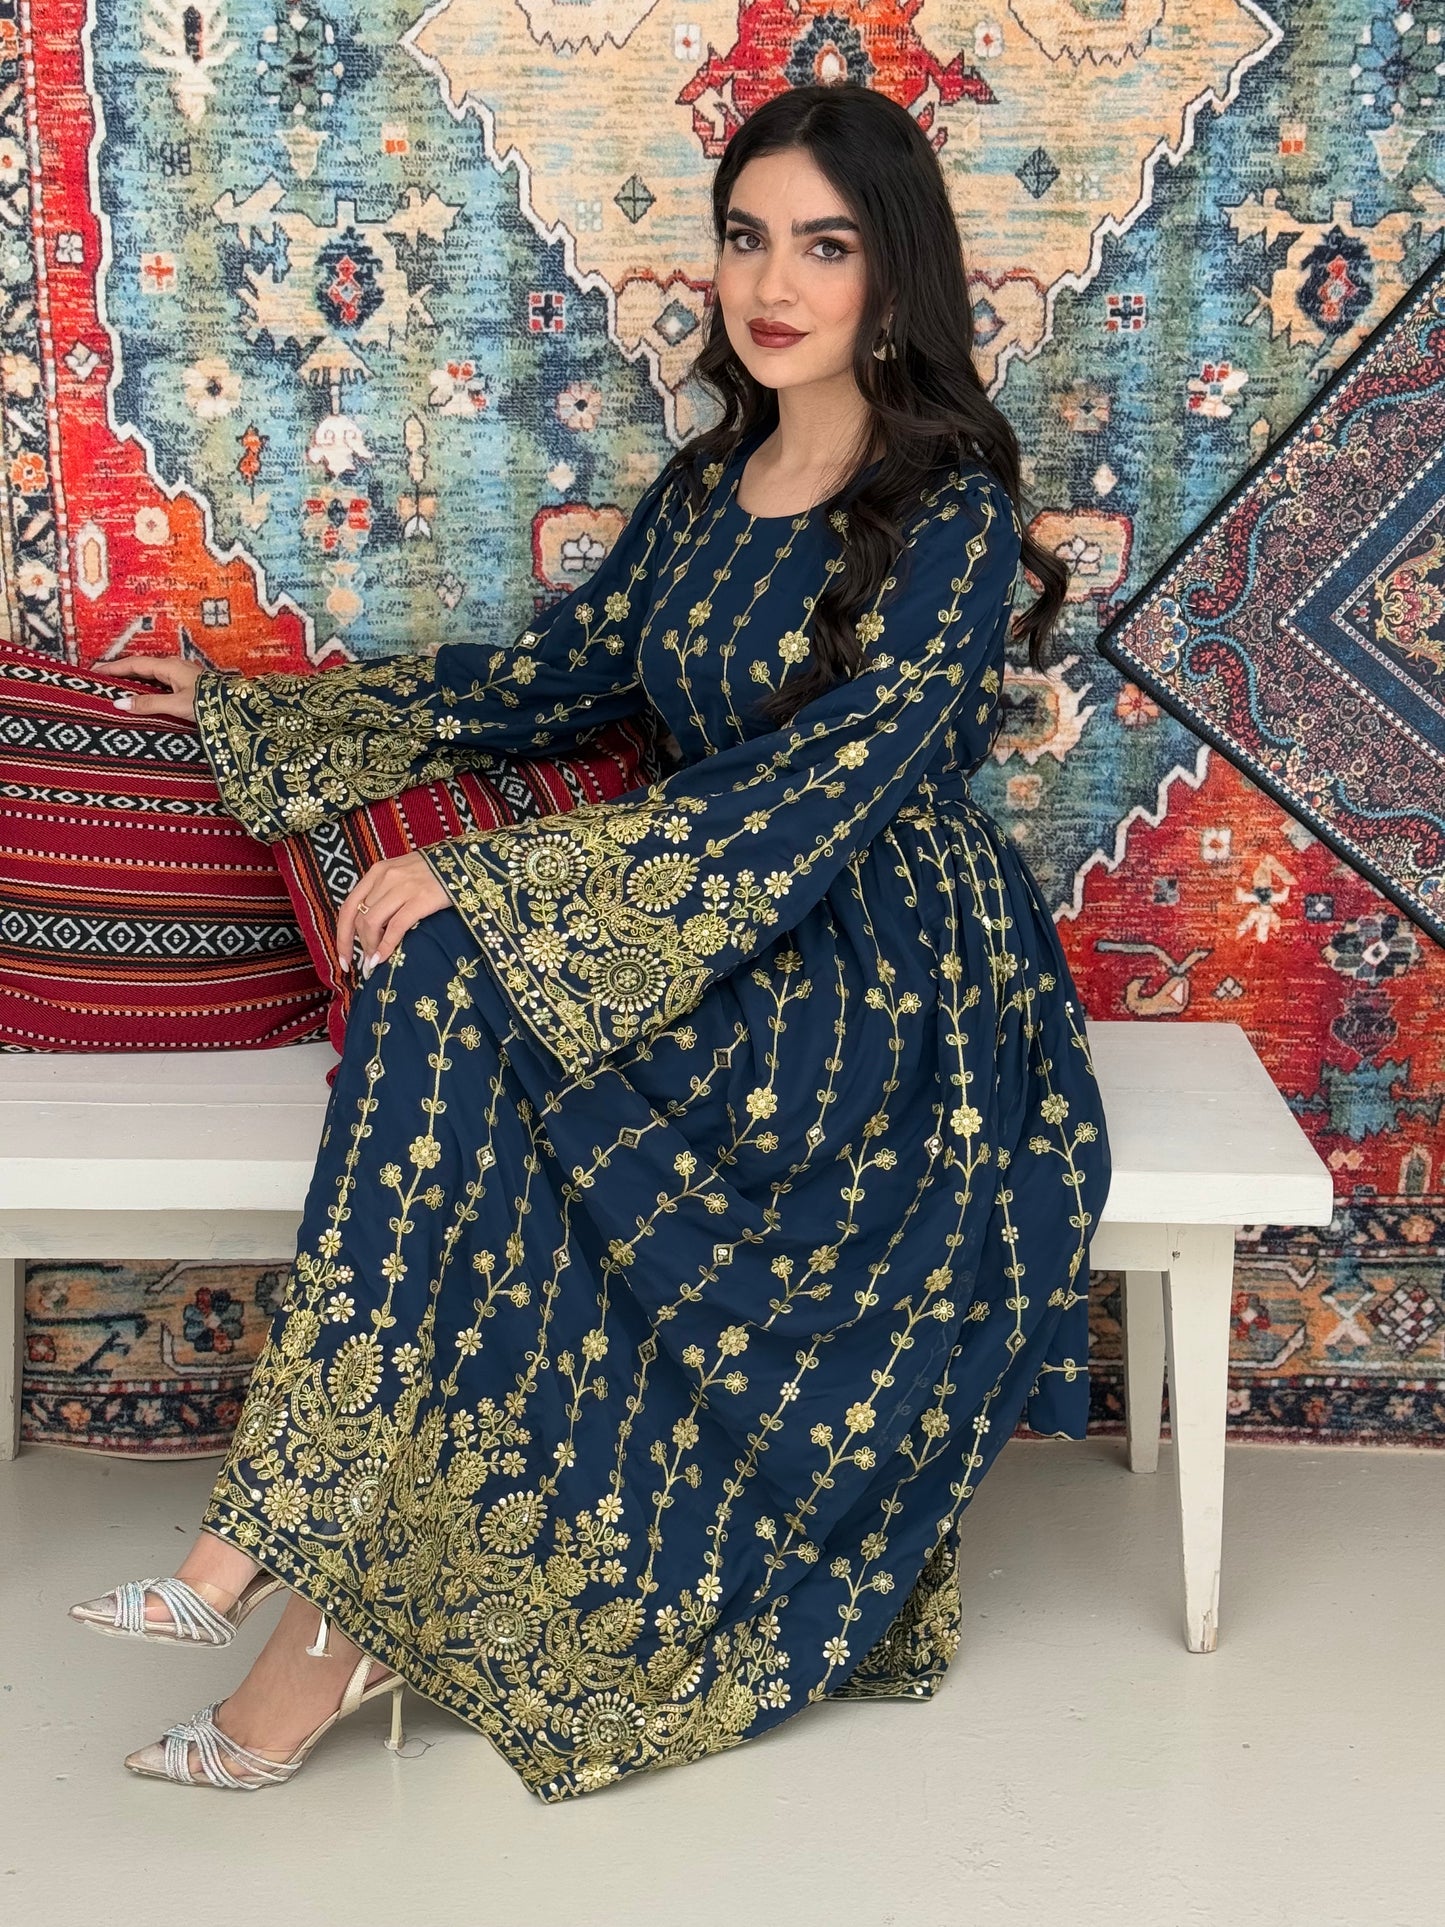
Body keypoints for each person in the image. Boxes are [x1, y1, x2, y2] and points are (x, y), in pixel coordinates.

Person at [68, 81, 1112, 1802]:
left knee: (455, 965)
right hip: (686, 915)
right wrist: (262, 711)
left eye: (823, 246)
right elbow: (551, 681)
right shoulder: (710, 486)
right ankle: (297, 1588)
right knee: (439, 1003)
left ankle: (280, 1561)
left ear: (893, 272)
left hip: (874, 960)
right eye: (745, 238)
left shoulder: (948, 512)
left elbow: (827, 783)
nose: (770, 284)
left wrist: (499, 884)